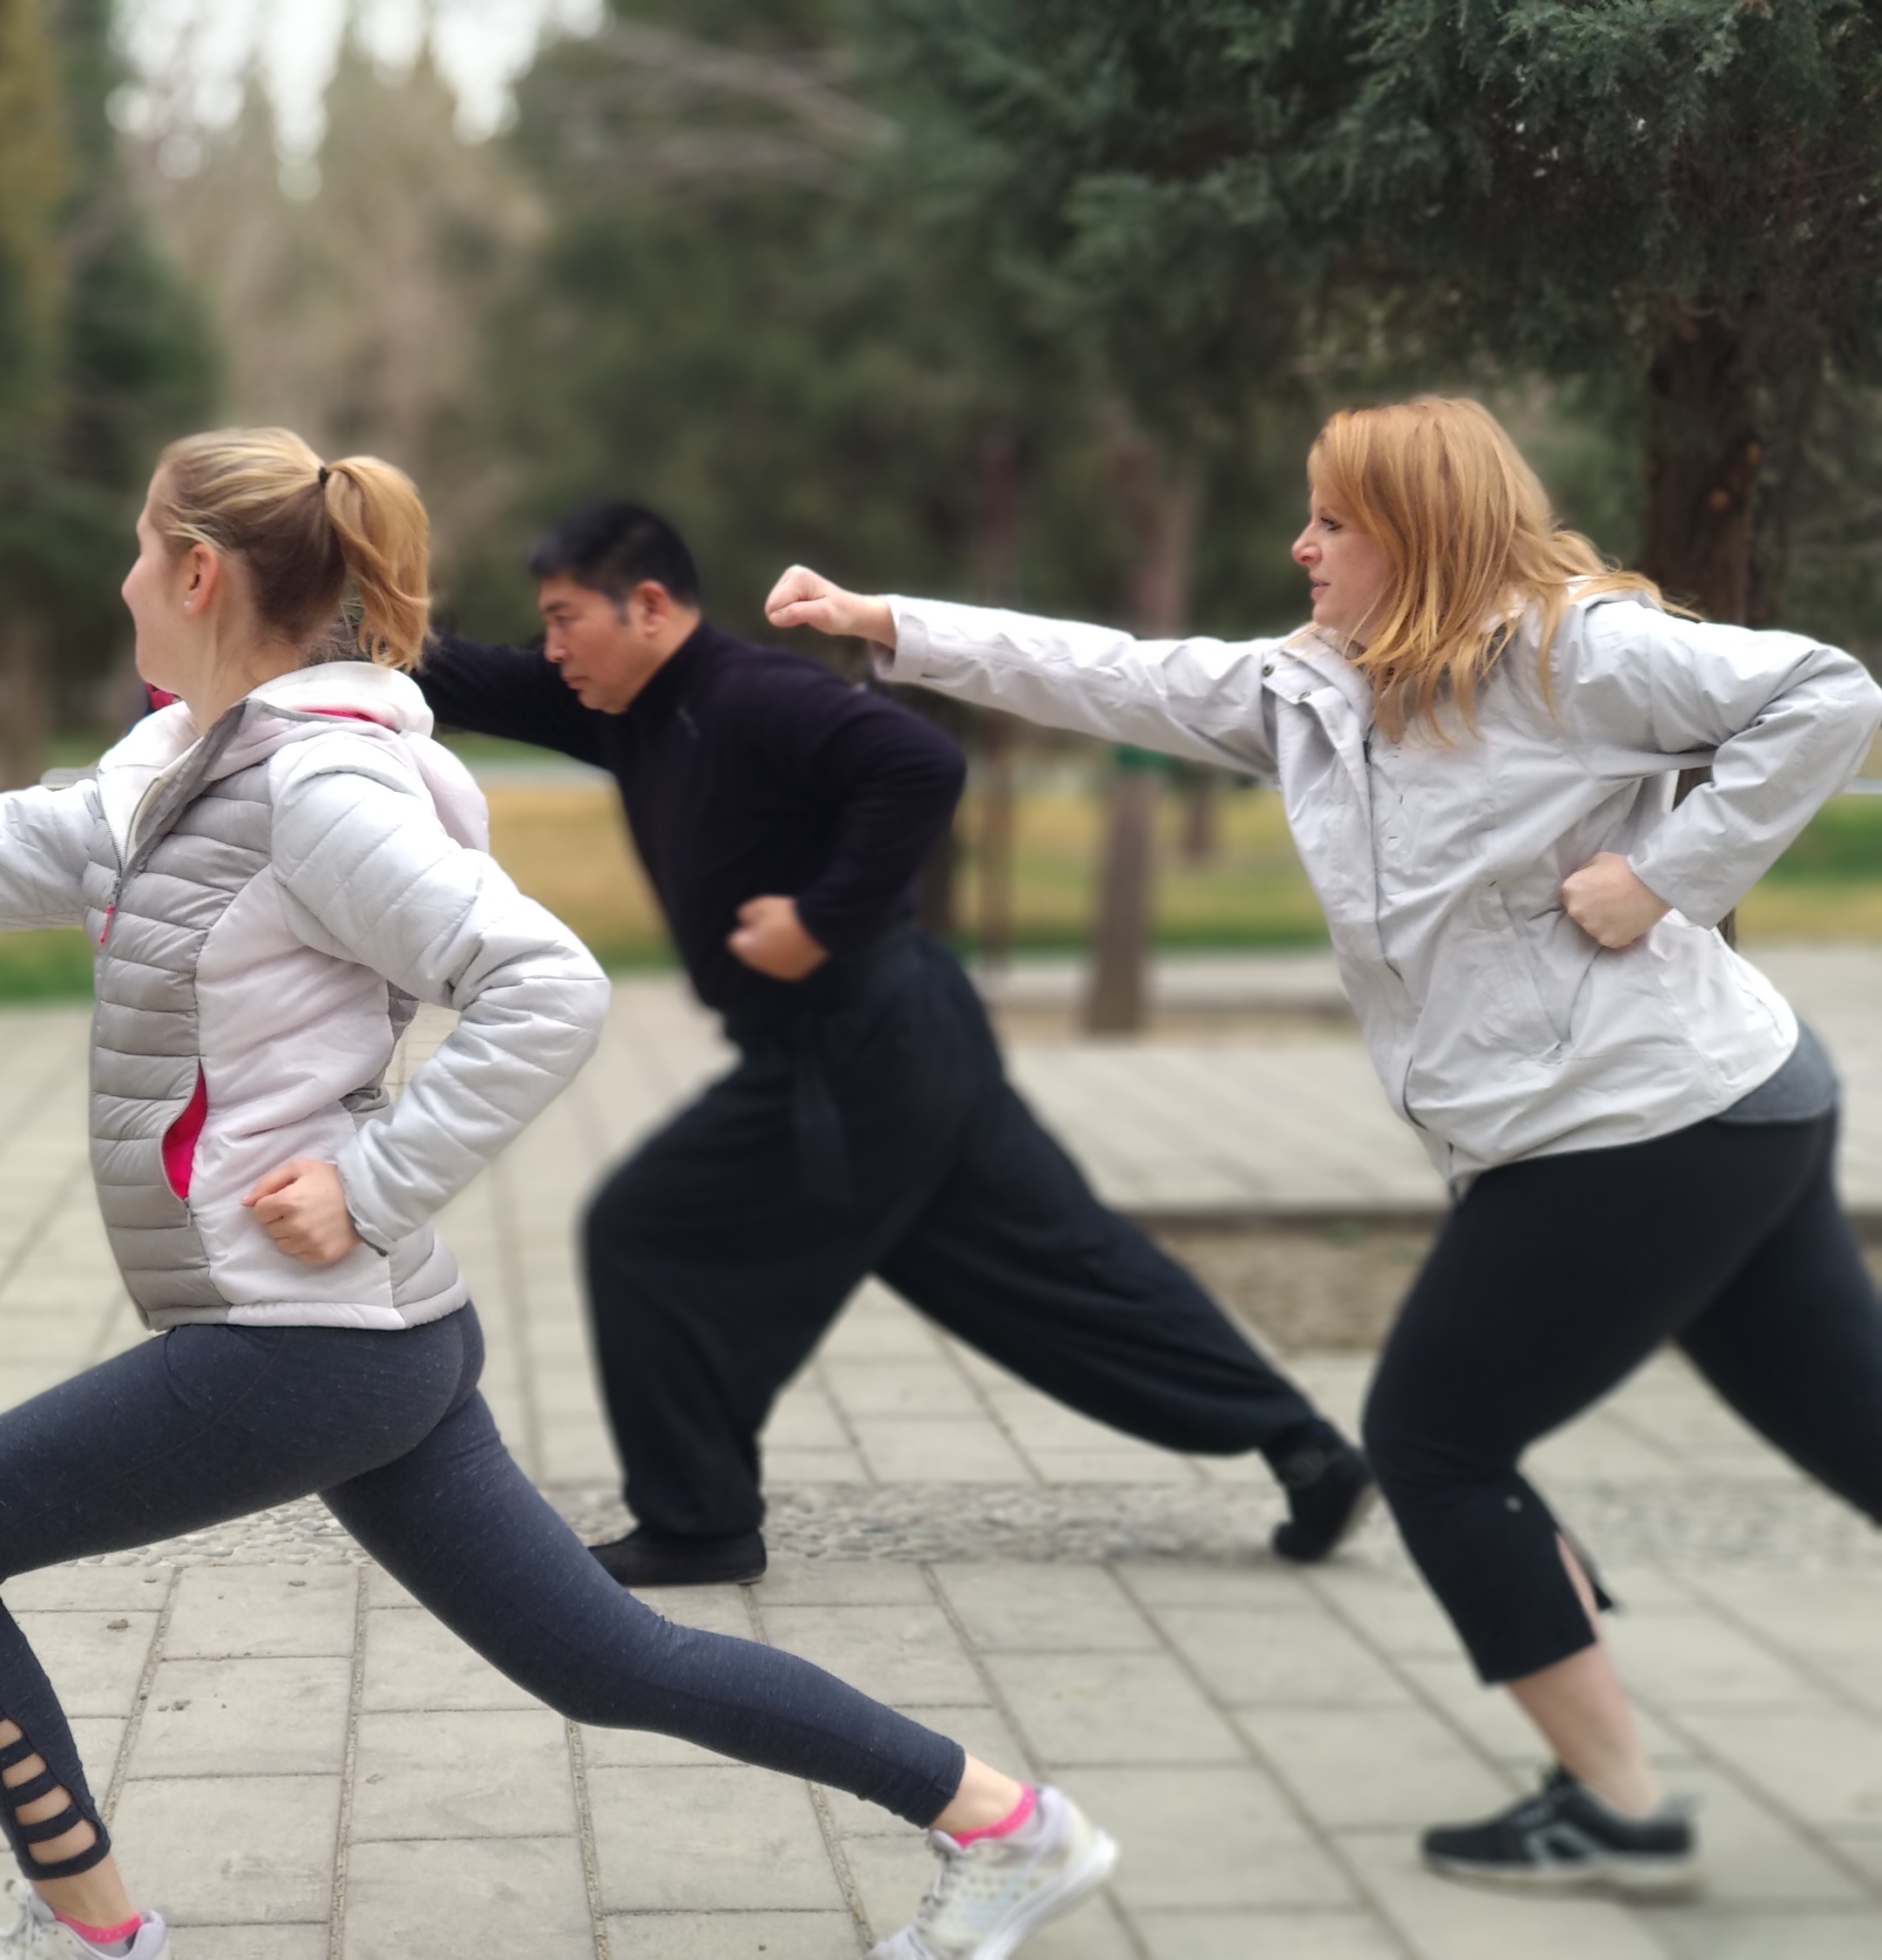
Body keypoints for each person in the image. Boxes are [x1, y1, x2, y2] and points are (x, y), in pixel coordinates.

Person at [0, 430, 1117, 1960]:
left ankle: (91, 1925)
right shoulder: (180, 770)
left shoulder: (316, 794)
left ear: (198, 573)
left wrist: (370, 1176)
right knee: (610, 1664)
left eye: (141, 545)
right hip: (371, 1343)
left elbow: (545, 986)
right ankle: (1009, 1824)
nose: (121, 575)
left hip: (302, 1341)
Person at [765, 395, 1882, 1895]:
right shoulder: (1310, 692)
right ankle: (1594, 1746)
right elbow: (1108, 671)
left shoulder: (1571, 652)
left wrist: (1667, 876)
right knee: (1846, 1429)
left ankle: (1616, 1807)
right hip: (1715, 1113)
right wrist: (886, 621)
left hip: (1649, 1126)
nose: (1301, 545)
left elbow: (1827, 694)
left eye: (1334, 521)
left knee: (1432, 1439)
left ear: (1416, 533)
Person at [420, 503, 1373, 1590]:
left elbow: (918, 761)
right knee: (1062, 1268)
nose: (550, 650)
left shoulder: (750, 694)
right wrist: (328, 619)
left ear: (648, 607)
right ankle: (1307, 1451)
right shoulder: (627, 705)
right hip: (905, 1044)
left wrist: (821, 919)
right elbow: (464, 679)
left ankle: (698, 1524)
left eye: (563, 620)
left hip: (864, 1046)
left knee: (643, 1232)